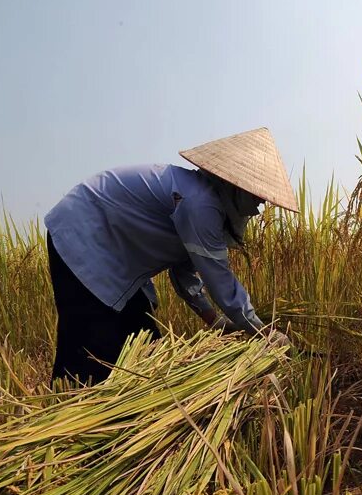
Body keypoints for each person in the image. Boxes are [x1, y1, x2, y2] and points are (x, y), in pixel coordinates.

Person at [44, 127, 296, 385]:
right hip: (84, 234)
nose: (259, 206)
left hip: (116, 252)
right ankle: (77, 412)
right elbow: (219, 278)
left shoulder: (198, 198)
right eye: (256, 195)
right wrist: (262, 332)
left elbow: (183, 269)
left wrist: (213, 319)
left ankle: (132, 407)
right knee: (95, 345)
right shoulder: (200, 203)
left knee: (142, 339)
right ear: (235, 185)